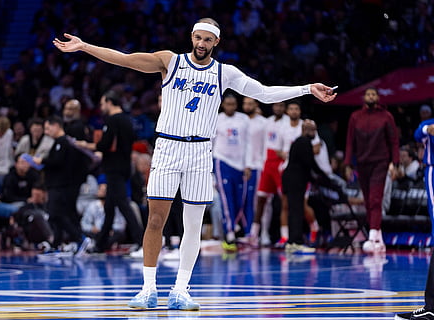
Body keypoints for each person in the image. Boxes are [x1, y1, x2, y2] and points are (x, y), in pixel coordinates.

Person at [53, 17, 336, 310]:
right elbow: (125, 60)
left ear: (216, 42)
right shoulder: (170, 62)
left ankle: (180, 290)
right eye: (198, 38)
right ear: (192, 37)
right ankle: (148, 289)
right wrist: (84, 46)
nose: (201, 44)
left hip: (200, 152)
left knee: (193, 225)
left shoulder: (225, 73)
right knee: (155, 220)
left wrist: (306, 88)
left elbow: (263, 92)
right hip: (167, 147)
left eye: (207, 40)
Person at [74, 90, 143, 254]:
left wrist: (85, 145)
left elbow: (104, 145)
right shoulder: (128, 120)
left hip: (114, 168)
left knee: (123, 205)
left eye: (103, 103)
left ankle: (142, 241)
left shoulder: (112, 120)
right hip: (125, 166)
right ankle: (100, 244)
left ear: (110, 102)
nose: (101, 107)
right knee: (110, 208)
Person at [344, 87, 399, 253]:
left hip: (380, 162)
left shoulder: (386, 116)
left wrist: (395, 163)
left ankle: (372, 236)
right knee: (368, 200)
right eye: (368, 94)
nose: (370, 96)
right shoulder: (355, 117)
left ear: (378, 97)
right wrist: (347, 164)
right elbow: (349, 141)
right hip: (362, 162)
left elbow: (394, 141)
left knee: (376, 199)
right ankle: (378, 238)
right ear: (364, 98)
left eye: (373, 94)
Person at [32, 116, 91, 257]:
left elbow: (57, 162)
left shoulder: (63, 142)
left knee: (55, 214)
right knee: (55, 215)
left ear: (56, 126)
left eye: (48, 128)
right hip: (55, 184)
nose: (46, 132)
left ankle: (79, 238)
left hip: (60, 185)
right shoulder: (58, 142)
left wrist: (42, 161)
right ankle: (56, 245)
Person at [395, 119, 434, 320]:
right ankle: (431, 305)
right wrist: (429, 129)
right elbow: (419, 134)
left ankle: (432, 306)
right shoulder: (429, 124)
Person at [213, 93, 253, 250]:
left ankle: (236, 227)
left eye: (233, 104)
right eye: (227, 104)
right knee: (226, 200)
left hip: (240, 164)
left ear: (236, 105)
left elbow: (248, 143)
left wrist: (248, 164)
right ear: (223, 105)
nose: (230, 107)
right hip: (222, 162)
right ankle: (229, 233)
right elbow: (211, 142)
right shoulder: (216, 119)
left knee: (240, 201)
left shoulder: (244, 119)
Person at [282, 120, 328, 254]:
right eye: (311, 130)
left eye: (315, 130)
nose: (314, 133)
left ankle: (292, 242)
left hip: (293, 181)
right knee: (296, 211)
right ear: (304, 130)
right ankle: (295, 242)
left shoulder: (299, 142)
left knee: (295, 210)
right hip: (295, 181)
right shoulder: (304, 142)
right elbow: (310, 163)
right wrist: (325, 178)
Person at [250, 101, 288, 247]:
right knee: (260, 199)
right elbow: (254, 124)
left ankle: (284, 236)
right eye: (276, 105)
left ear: (284, 108)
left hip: (281, 163)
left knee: (284, 201)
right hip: (267, 163)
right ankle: (254, 234)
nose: (278, 108)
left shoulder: (287, 123)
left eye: (281, 106)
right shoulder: (267, 122)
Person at [241, 96, 266, 242]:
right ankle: (246, 232)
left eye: (250, 103)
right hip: (240, 165)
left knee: (254, 201)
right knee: (242, 201)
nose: (247, 106)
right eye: (245, 103)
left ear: (256, 104)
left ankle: (254, 234)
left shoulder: (263, 122)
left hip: (257, 166)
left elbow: (264, 145)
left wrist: (258, 165)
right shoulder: (241, 120)